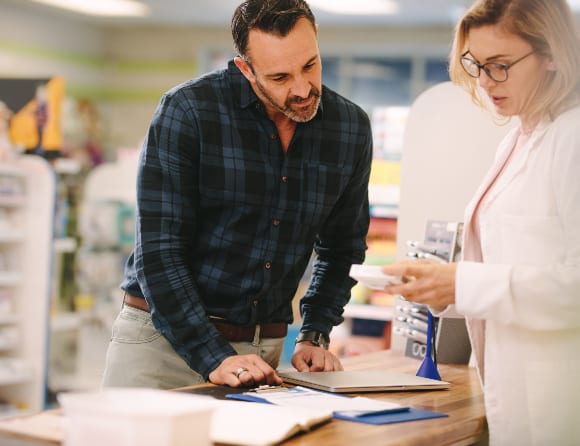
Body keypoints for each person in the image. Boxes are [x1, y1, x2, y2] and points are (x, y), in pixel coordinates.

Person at [101, 0, 372, 390]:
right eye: (279, 77)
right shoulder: (189, 111)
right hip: (160, 344)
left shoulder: (350, 128)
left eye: (310, 66)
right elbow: (159, 253)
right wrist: (214, 355)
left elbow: (342, 248)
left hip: (260, 351)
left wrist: (315, 332)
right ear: (245, 69)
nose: (302, 89)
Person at [382, 0, 580, 444]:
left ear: (553, 54)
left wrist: (462, 285)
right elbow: (507, 259)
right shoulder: (519, 137)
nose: (486, 82)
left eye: (501, 65)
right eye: (476, 65)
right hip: (515, 388)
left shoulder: (573, 138)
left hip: (561, 398)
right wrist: (439, 285)